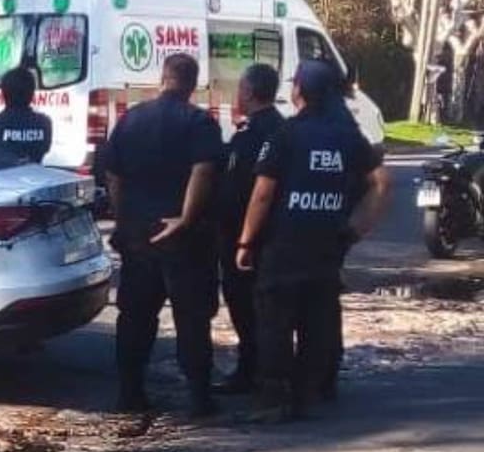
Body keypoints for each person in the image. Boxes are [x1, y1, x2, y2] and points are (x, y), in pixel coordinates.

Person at [236, 60, 390, 421]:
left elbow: (262, 194)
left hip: (283, 246)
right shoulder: (348, 137)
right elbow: (383, 184)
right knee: (317, 319)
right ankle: (310, 392)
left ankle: (274, 398)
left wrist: (245, 241)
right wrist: (356, 228)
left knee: (275, 320)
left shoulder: (287, 135)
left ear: (299, 92)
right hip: (327, 244)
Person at [106, 53, 224, 417]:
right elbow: (203, 171)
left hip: (139, 233)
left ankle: (129, 393)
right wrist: (186, 218)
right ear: (192, 84)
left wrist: (123, 219)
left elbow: (113, 176)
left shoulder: (131, 119)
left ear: (163, 78)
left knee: (136, 316)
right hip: (184, 238)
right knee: (191, 317)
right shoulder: (200, 122)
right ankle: (200, 397)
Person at [215, 64, 284, 395]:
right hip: (262, 234)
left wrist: (244, 240)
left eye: (239, 88)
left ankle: (254, 371)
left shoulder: (257, 134)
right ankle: (260, 368)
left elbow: (254, 190)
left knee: (246, 304)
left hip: (248, 235)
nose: (235, 94)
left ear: (249, 93)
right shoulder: (276, 128)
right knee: (255, 305)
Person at [0, 67, 53, 163]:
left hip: (2, 176)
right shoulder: (44, 124)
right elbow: (44, 149)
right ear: (32, 94)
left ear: (3, 94)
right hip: (36, 176)